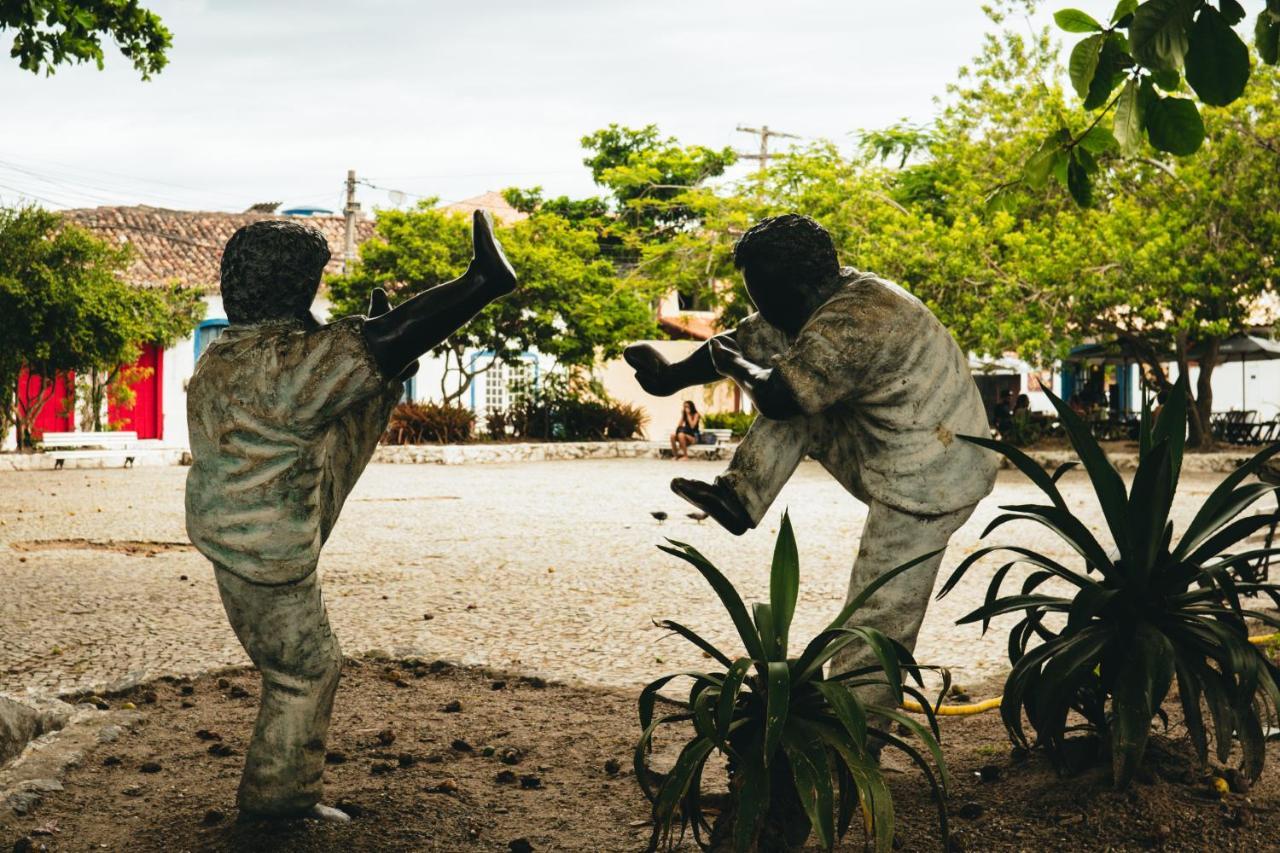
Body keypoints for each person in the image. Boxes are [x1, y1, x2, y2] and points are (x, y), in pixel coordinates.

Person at [185, 211, 515, 821]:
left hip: (244, 525)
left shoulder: (229, 356)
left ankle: (279, 797)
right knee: (304, 672)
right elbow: (374, 344)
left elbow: (349, 363)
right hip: (263, 547)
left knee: (296, 667)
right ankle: (278, 801)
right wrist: (478, 285)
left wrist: (380, 366)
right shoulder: (286, 368)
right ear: (300, 289)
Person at [623, 214, 997, 706]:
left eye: (770, 300)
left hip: (934, 474)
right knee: (788, 381)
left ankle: (858, 739)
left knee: (879, 612)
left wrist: (732, 366)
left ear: (799, 283)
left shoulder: (856, 321)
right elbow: (744, 343)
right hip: (893, 444)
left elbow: (773, 392)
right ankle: (741, 495)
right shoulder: (821, 301)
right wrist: (671, 377)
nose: (767, 313)